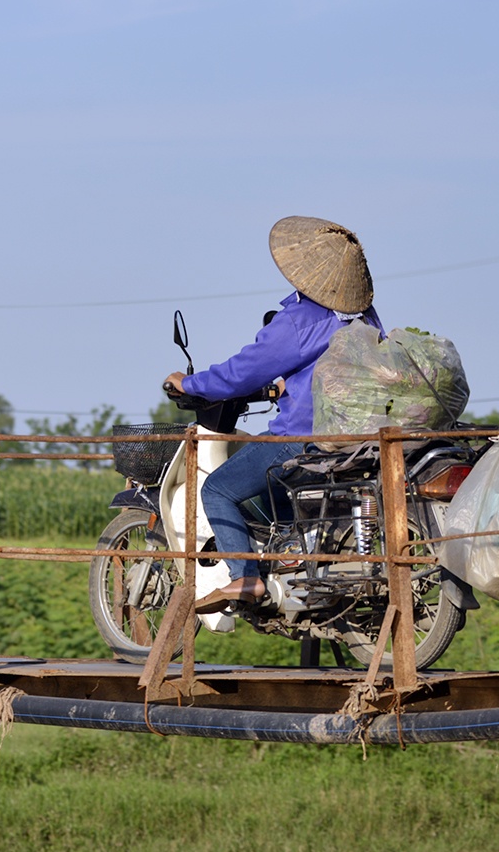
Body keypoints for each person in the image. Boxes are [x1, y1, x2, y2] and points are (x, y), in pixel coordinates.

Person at [163, 216, 383, 613]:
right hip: (353, 439)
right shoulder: (364, 316)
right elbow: (335, 370)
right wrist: (290, 383)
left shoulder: (301, 319)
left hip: (302, 439)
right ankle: (291, 555)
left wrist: (191, 384)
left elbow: (244, 371)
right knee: (270, 487)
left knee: (218, 489)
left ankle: (245, 578)